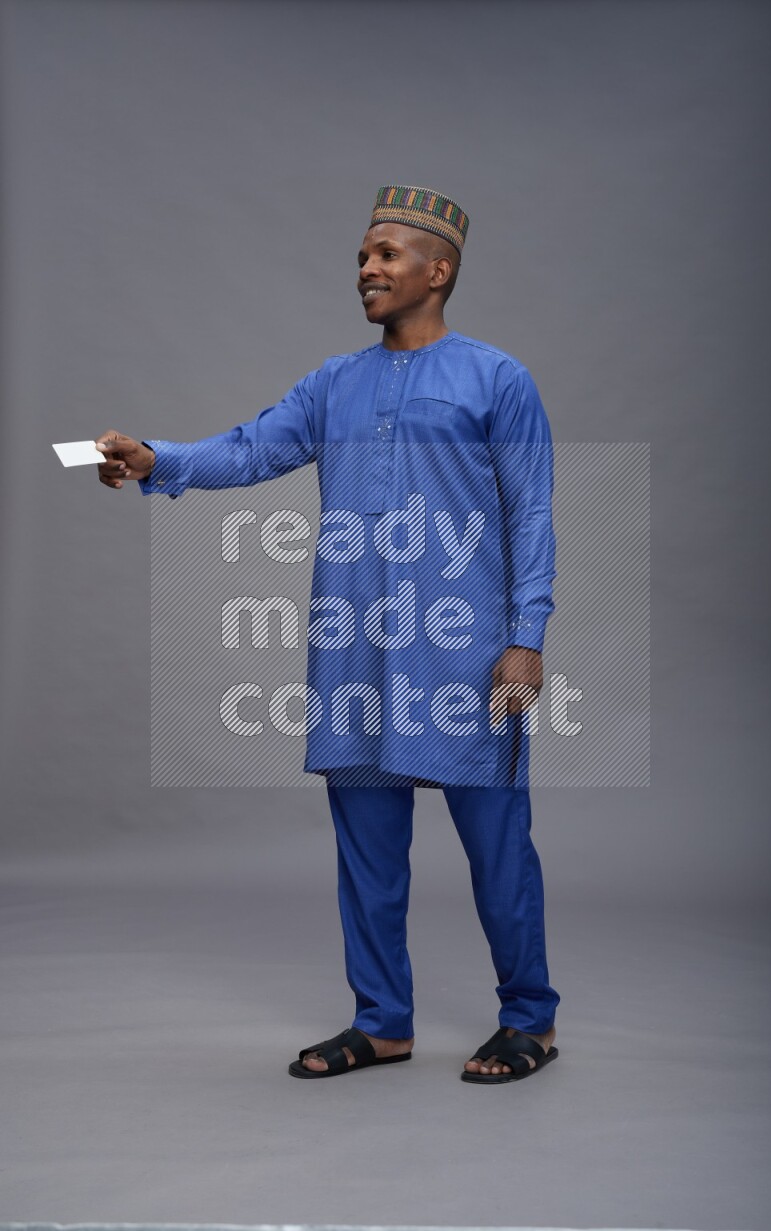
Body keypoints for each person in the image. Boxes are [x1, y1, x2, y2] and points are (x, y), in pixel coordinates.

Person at [96, 185, 560, 1084]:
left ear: (440, 270)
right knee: (367, 849)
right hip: (357, 646)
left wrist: (526, 634)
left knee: (499, 843)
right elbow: (253, 446)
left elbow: (531, 512)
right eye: (361, 256)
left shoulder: (497, 378)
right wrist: (159, 459)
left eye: (385, 255)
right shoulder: (335, 382)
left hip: (467, 650)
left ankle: (529, 1018)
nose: (367, 270)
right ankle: (382, 1019)